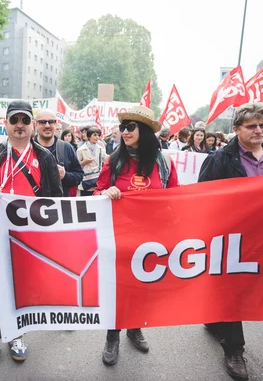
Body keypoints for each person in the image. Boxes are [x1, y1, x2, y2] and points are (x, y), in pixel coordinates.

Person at [198, 102, 263, 380]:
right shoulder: (219, 160)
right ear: (236, 129)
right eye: (252, 126)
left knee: (254, 286)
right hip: (232, 237)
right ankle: (234, 350)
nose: (259, 130)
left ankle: (215, 319)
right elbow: (203, 198)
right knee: (233, 289)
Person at [0, 100, 62, 369]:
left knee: (21, 287)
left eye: (24, 120)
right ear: (6, 125)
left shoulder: (45, 158)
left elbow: (55, 199)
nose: (19, 126)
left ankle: (16, 334)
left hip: (29, 237)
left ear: (32, 125)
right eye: (14, 120)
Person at [93, 105, 179, 366]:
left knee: (141, 286)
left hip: (150, 238)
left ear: (143, 130)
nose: (124, 132)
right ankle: (112, 335)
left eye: (130, 127)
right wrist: (105, 193)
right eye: (122, 127)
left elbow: (176, 197)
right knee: (117, 287)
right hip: (118, 236)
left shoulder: (164, 162)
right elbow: (96, 192)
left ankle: (135, 328)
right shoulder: (114, 160)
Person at [34, 109, 84, 197]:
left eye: (51, 122)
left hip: (60, 207)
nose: (47, 125)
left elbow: (79, 176)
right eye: (42, 122)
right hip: (34, 206)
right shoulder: (28, 148)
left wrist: (65, 175)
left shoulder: (66, 147)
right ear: (36, 124)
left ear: (56, 124)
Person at [77, 126, 108, 196]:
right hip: (86, 182)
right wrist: (84, 162)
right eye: (95, 135)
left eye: (98, 135)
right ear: (88, 136)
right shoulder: (81, 149)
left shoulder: (100, 149)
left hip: (97, 182)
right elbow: (76, 166)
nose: (97, 137)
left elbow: (107, 159)